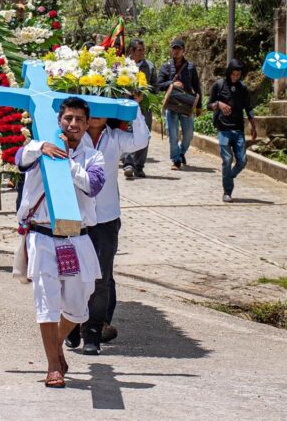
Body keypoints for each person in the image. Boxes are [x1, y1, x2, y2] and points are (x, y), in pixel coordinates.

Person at [15, 96, 105, 388]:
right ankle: (53, 365)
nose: (73, 124)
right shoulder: (38, 148)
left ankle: (56, 347)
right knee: (46, 300)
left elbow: (93, 186)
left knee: (79, 307)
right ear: (58, 121)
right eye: (68, 118)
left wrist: (67, 161)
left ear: (87, 122)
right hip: (42, 237)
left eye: (79, 119)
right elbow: (19, 159)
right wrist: (41, 147)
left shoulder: (94, 157)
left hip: (77, 238)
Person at [65, 93, 149, 355]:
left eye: (104, 105)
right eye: (93, 105)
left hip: (106, 218)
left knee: (101, 278)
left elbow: (141, 139)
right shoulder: (73, 138)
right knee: (74, 275)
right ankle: (70, 324)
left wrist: (132, 106)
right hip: (75, 217)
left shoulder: (115, 138)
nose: (98, 112)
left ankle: (92, 332)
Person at [208, 59, 258, 203]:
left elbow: (248, 108)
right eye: (234, 74)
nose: (236, 77)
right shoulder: (219, 85)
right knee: (227, 159)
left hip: (238, 129)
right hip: (223, 129)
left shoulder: (242, 88)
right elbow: (209, 105)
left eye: (238, 74)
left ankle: (229, 176)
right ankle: (227, 191)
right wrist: (219, 104)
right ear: (229, 73)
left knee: (242, 160)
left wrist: (253, 126)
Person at [157, 38, 202, 170]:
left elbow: (197, 86)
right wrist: (171, 84)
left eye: (179, 48)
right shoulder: (166, 67)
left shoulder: (191, 67)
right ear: (171, 49)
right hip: (171, 105)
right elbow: (158, 85)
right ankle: (176, 160)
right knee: (173, 134)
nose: (176, 51)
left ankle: (181, 152)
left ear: (183, 50)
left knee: (188, 134)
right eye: (174, 48)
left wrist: (199, 106)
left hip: (186, 104)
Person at [121, 39, 156, 179]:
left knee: (144, 134)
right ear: (131, 50)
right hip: (126, 104)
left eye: (143, 50)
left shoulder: (150, 67)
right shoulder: (122, 65)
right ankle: (128, 163)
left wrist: (143, 95)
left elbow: (155, 86)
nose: (142, 52)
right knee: (127, 132)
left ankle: (139, 166)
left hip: (144, 106)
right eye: (139, 50)